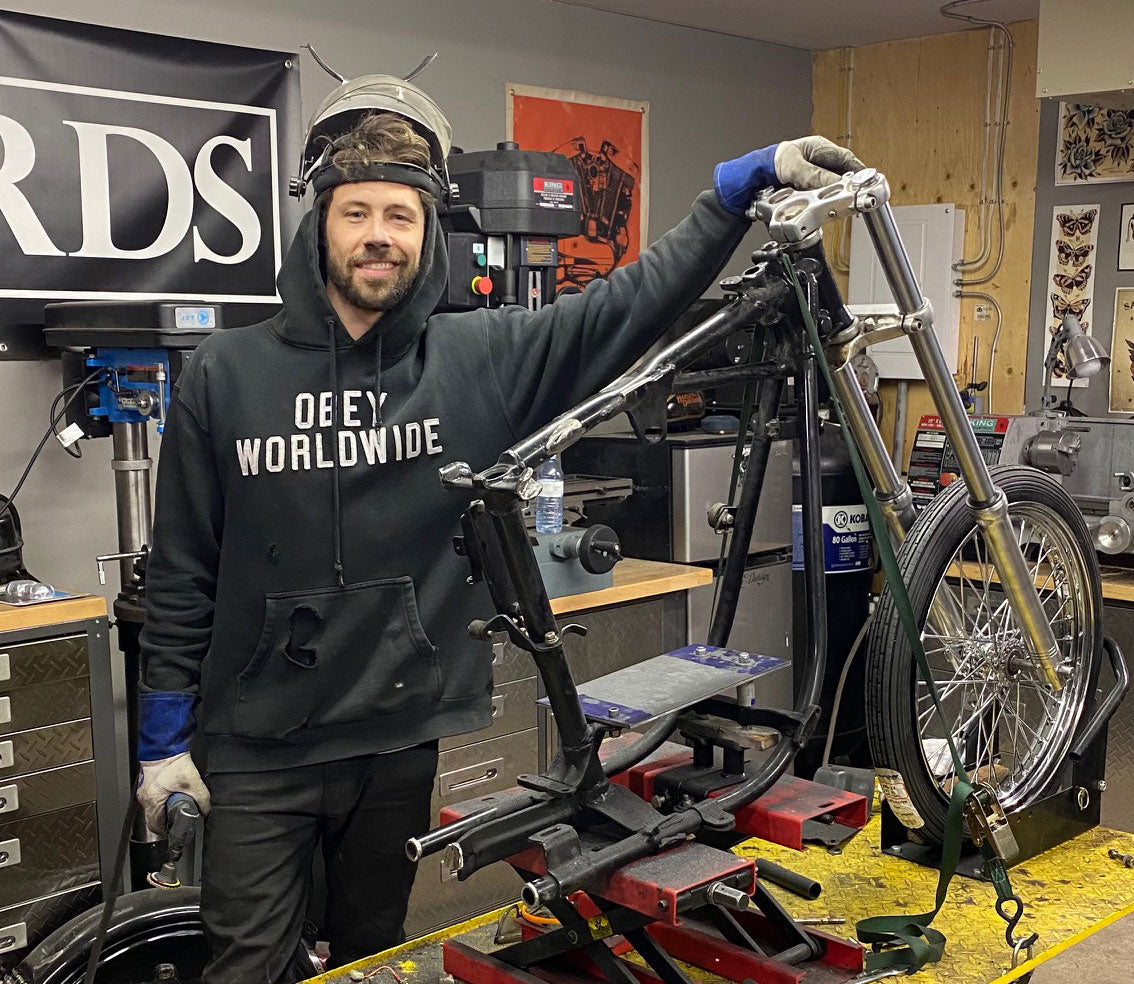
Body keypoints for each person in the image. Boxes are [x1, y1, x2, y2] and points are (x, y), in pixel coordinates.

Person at [133, 73, 860, 983]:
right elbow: (183, 562)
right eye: (356, 212)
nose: (377, 237)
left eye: (400, 217)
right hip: (254, 748)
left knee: (373, 962)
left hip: (395, 740)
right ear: (319, 223)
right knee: (245, 967)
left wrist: (724, 202)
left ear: (428, 232)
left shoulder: (479, 358)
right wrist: (163, 739)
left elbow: (624, 309)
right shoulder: (224, 373)